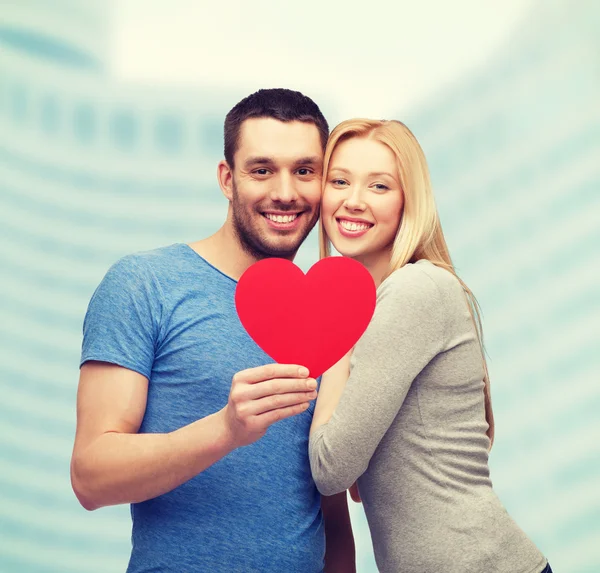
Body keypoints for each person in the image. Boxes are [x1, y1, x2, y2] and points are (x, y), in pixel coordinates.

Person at [71, 89, 356, 573]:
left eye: (305, 171)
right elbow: (90, 477)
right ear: (227, 179)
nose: (285, 192)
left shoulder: (330, 315)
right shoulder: (145, 284)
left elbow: (327, 503)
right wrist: (225, 430)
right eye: (262, 169)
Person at [308, 119, 552, 573]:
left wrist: (334, 337)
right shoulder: (384, 302)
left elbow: (331, 469)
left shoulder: (414, 290)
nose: (353, 200)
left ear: (408, 201)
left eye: (379, 186)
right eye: (339, 181)